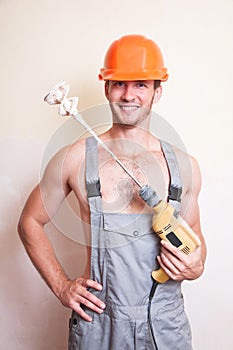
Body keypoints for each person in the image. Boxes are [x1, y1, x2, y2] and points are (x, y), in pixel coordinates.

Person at [18, 34, 207, 349]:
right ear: (106, 87)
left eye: (141, 85)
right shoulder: (74, 158)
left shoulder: (185, 167)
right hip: (100, 322)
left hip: (165, 324)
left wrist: (196, 265)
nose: (128, 95)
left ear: (157, 92)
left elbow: (196, 245)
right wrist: (62, 286)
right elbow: (29, 222)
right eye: (119, 83)